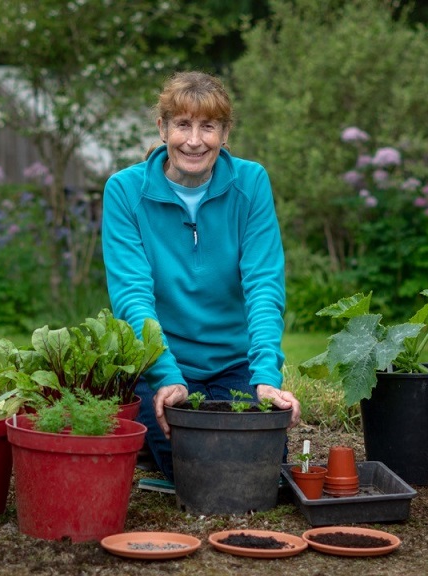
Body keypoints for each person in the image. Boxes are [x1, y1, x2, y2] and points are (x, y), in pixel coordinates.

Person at [101, 70, 301, 482]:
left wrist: (265, 376)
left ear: (225, 133)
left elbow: (264, 285)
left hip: (236, 363)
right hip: (165, 365)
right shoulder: (124, 192)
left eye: (208, 126)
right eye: (182, 125)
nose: (194, 140)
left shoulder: (251, 183)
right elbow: (132, 298)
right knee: (191, 471)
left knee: (261, 470)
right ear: (162, 128)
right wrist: (167, 377)